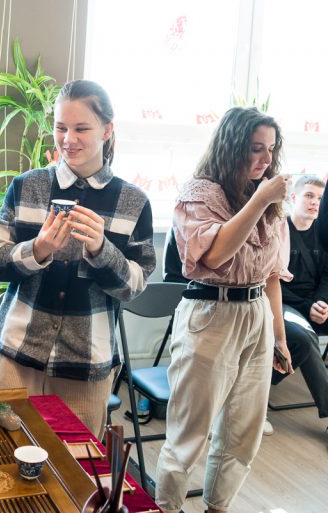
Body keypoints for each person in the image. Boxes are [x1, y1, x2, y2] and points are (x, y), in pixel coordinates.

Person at [0, 79, 156, 439]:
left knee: (76, 460)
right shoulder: (26, 186)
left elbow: (134, 286)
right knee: (5, 450)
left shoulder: (133, 202)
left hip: (85, 363)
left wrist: (100, 250)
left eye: (81, 128)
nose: (68, 139)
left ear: (107, 130)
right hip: (17, 353)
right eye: (61, 127)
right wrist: (38, 249)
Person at [155, 107, 293, 513]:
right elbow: (215, 256)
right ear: (232, 147)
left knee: (243, 432)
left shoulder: (268, 198)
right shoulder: (200, 194)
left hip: (257, 315)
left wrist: (279, 337)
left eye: (271, 149)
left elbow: (271, 275)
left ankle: (218, 507)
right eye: (256, 148)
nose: (266, 159)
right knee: (189, 433)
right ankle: (167, 508)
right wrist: (261, 199)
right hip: (211, 314)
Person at [272, 175, 328, 427]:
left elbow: (327, 276)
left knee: (308, 332)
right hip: (285, 305)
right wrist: (308, 307)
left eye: (320, 198)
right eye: (309, 196)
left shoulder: (323, 233)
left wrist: (322, 302)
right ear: (293, 198)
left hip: (315, 304)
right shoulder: (278, 230)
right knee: (305, 338)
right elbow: (272, 282)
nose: (315, 202)